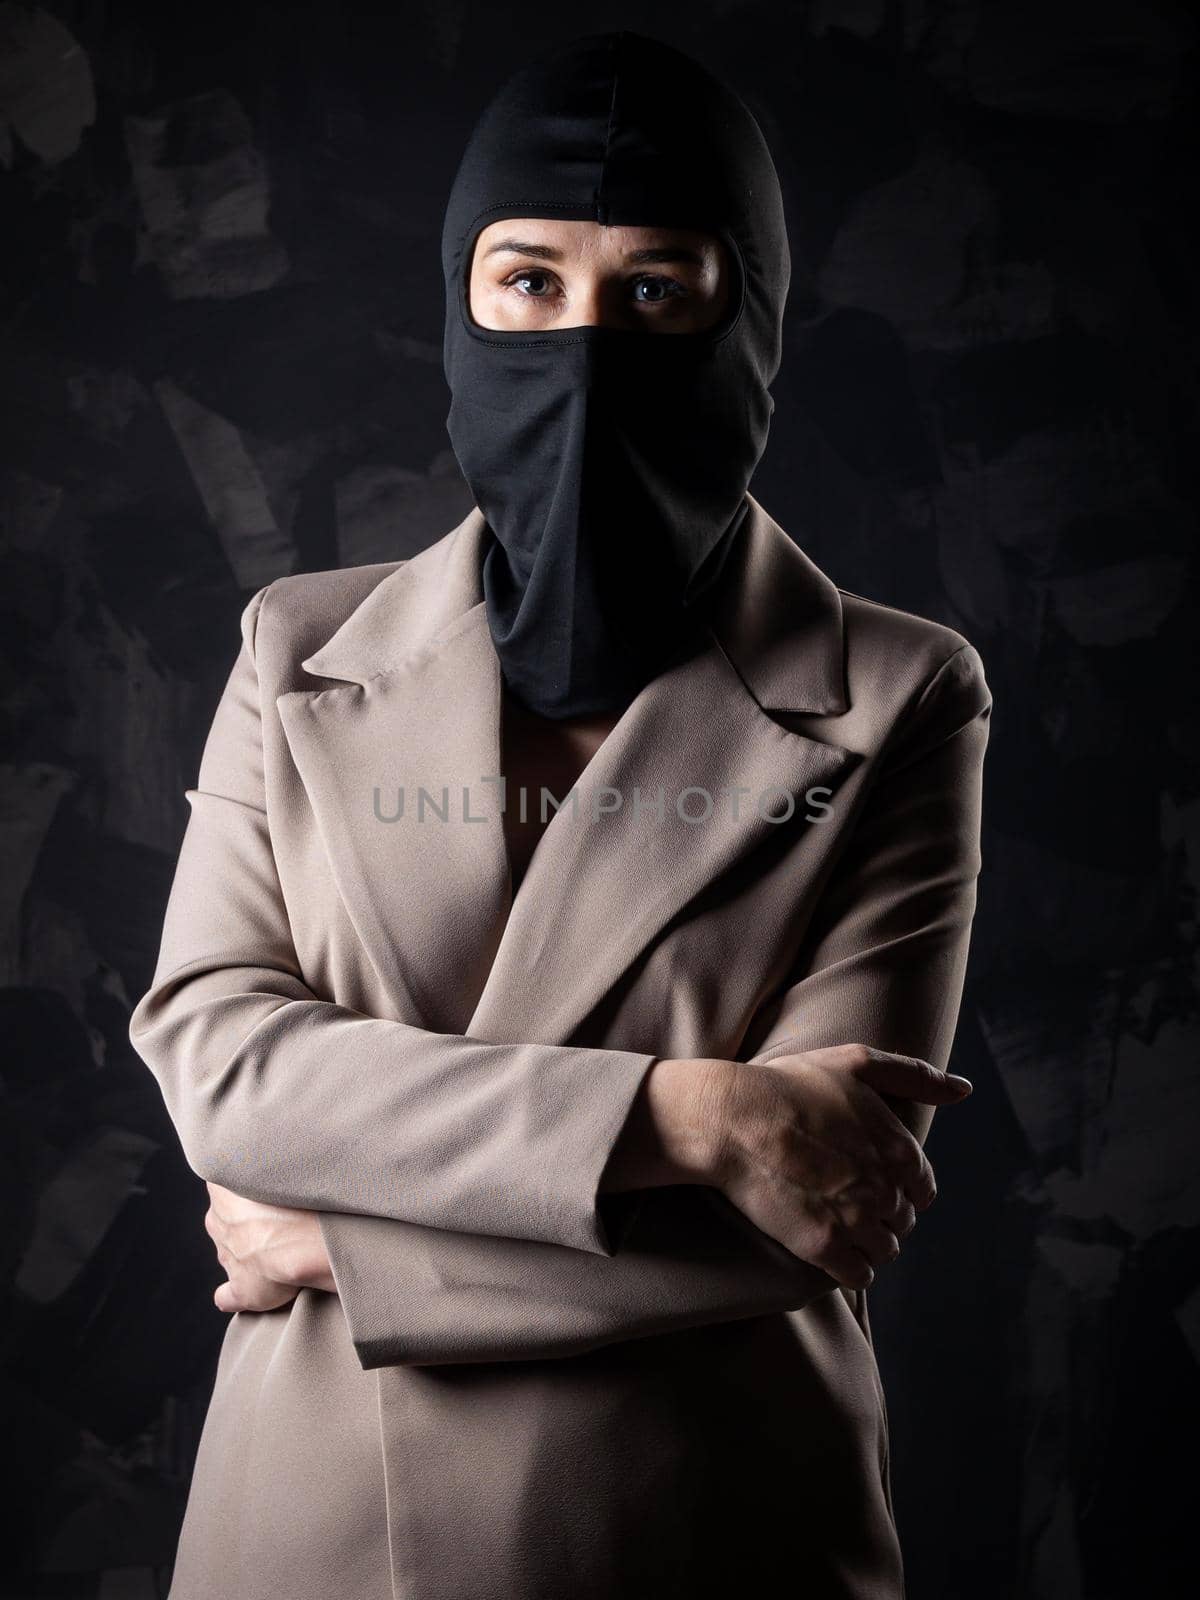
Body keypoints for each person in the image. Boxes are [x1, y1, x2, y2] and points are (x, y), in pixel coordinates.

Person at [129, 29, 992, 1600]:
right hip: (316, 1529)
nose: (586, 348)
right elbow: (223, 1065)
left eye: (656, 290)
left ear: (752, 319)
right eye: (529, 283)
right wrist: (694, 1119)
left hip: (712, 1530)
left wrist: (343, 1248)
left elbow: (817, 1211)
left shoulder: (901, 696)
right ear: (464, 303)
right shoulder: (291, 650)